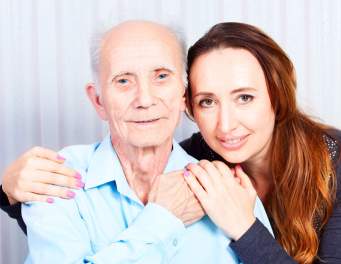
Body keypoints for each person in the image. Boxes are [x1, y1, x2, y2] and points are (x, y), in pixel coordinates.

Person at [0, 20, 272, 263]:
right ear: (98, 101)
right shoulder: (53, 177)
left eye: (162, 76)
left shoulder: (227, 189)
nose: (144, 99)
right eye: (123, 81)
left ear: (183, 95)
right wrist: (162, 220)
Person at [180, 22, 341, 263]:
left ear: (277, 95)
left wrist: (245, 228)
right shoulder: (191, 159)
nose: (225, 125)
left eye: (244, 98)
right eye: (207, 102)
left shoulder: (335, 163)